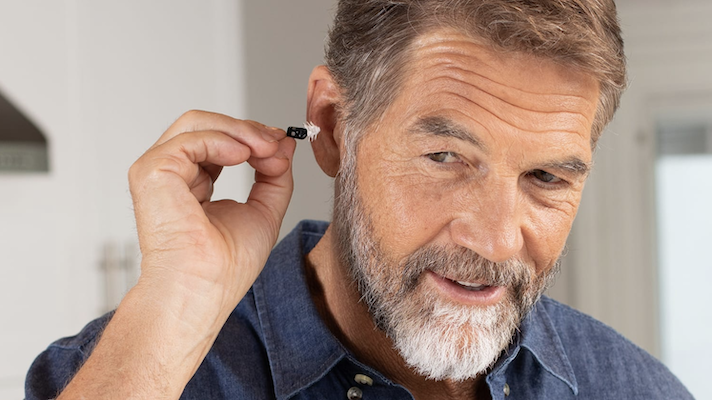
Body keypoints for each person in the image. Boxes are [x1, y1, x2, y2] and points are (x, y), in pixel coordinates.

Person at [26, 0, 693, 399]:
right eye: (445, 158)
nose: (495, 241)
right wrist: (176, 303)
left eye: (546, 178)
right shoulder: (127, 373)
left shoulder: (636, 389)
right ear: (333, 126)